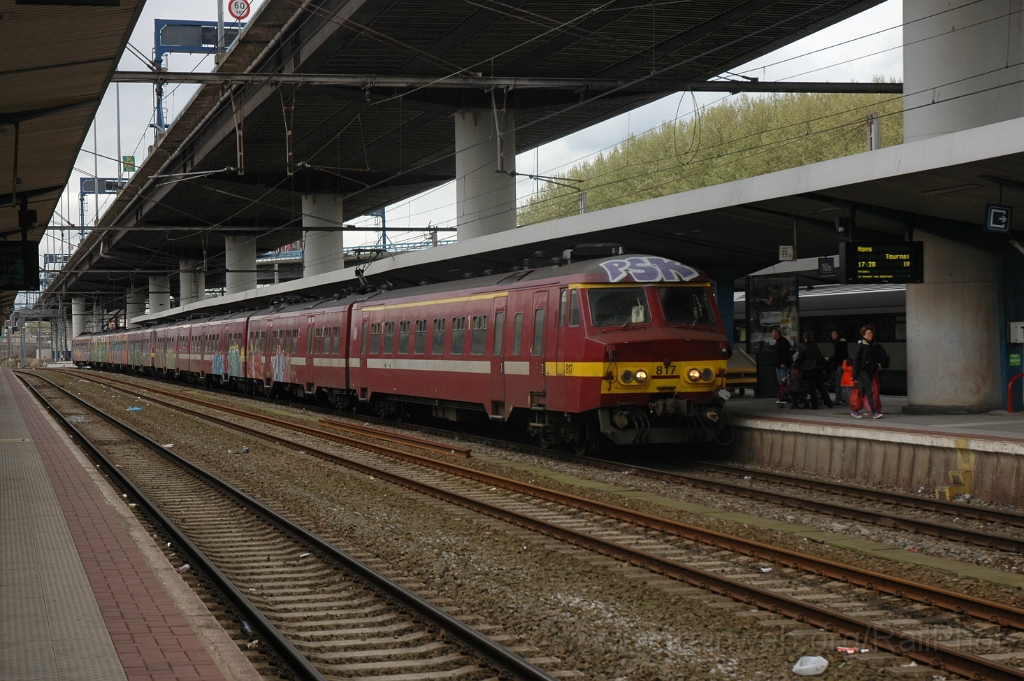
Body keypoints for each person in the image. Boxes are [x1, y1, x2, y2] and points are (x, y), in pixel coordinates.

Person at [850, 325, 887, 419]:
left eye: (871, 333)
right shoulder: (861, 345)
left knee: (863, 391)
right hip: (862, 370)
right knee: (869, 390)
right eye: (868, 333)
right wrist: (854, 376)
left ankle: (854, 410)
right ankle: (874, 412)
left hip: (871, 371)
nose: (871, 335)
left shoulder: (874, 345)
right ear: (864, 335)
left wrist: (877, 366)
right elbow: (856, 360)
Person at [795, 331, 834, 409]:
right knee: (820, 386)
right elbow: (820, 356)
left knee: (811, 387)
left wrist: (796, 364)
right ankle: (828, 402)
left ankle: (814, 404)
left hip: (808, 369)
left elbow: (801, 357)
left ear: (804, 338)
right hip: (817, 369)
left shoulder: (804, 346)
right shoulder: (815, 346)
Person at [827, 329, 850, 405]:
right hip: (840, 364)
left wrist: (830, 359)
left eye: (834, 334)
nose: (832, 335)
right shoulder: (840, 342)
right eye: (832, 334)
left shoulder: (839, 343)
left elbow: (838, 355)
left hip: (840, 364)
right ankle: (841, 398)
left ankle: (842, 398)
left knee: (841, 382)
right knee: (840, 382)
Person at [771, 327, 792, 401]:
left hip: (782, 365)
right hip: (778, 365)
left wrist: (783, 362)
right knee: (781, 381)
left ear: (776, 333)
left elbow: (786, 353)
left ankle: (786, 395)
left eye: (773, 332)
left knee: (784, 381)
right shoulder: (778, 342)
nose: (772, 334)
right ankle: (782, 395)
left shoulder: (783, 342)